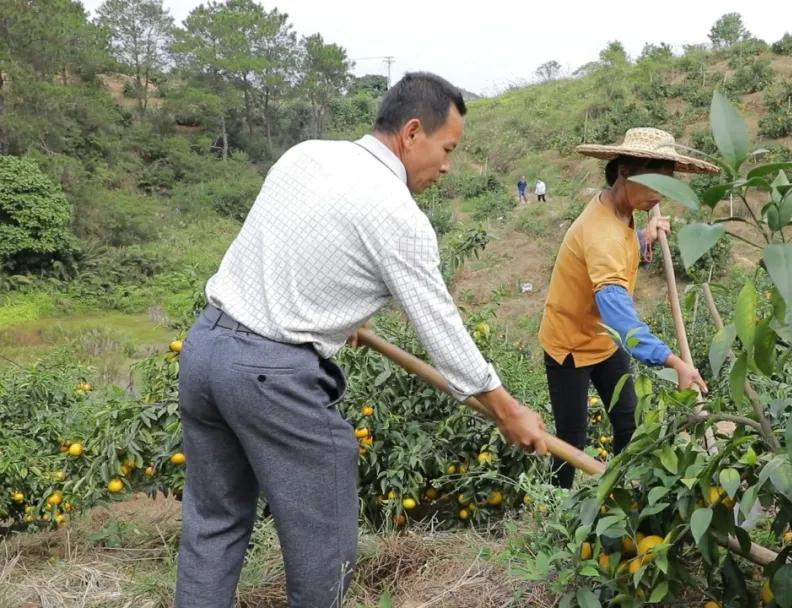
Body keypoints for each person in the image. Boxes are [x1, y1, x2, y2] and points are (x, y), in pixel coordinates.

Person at [175, 72, 548, 608]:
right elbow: (440, 327)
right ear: (413, 132)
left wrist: (333, 316)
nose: (447, 166)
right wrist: (507, 409)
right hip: (268, 374)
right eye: (447, 149)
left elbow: (294, 245)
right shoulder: (398, 215)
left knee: (214, 523)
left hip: (205, 351)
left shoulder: (306, 155)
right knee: (323, 545)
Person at [537, 127, 716, 489]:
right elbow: (619, 316)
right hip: (570, 345)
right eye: (654, 184)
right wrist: (673, 360)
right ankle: (554, 510)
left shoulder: (619, 211)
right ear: (624, 172)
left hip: (604, 341)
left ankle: (616, 491)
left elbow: (620, 249)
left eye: (667, 186)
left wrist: (643, 238)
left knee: (628, 424)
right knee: (571, 440)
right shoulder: (599, 231)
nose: (660, 196)